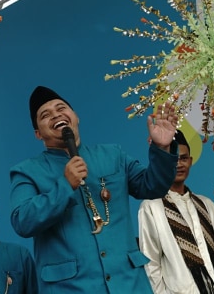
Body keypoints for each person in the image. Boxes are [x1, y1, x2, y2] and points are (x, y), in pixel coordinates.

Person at [9, 86, 179, 293]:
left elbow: (153, 187)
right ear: (38, 134)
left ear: (76, 117)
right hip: (70, 288)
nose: (56, 114)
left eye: (61, 108)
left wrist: (162, 148)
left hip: (129, 284)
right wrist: (65, 185)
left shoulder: (113, 155)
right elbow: (22, 221)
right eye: (45, 115)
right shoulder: (27, 171)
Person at [138, 129, 214, 294]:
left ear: (191, 161)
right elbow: (151, 264)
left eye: (184, 158)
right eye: (174, 159)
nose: (179, 164)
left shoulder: (205, 204)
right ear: (164, 162)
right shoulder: (152, 206)